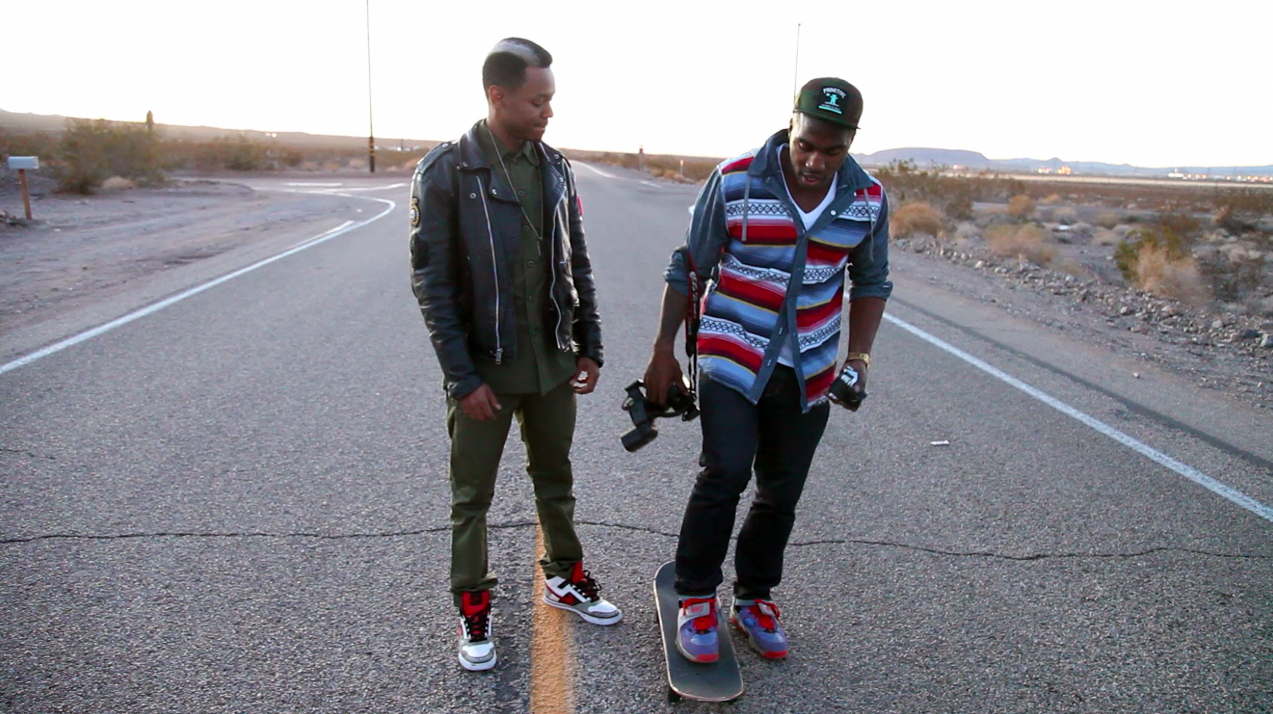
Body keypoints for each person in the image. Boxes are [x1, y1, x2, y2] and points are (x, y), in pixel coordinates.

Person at [643, 78, 892, 663]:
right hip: (733, 354)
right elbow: (689, 266)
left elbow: (871, 281)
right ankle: (696, 596)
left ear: (851, 142)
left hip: (809, 369)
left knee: (781, 492)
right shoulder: (735, 180)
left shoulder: (867, 199)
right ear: (791, 124)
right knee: (725, 472)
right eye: (807, 144)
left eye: (832, 150)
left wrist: (857, 359)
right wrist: (663, 351)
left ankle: (754, 598)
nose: (815, 161)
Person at [410, 37, 622, 672]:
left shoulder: (556, 168)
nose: (548, 112)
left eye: (551, 99)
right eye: (537, 100)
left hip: (552, 363)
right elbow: (432, 284)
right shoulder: (447, 171)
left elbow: (576, 262)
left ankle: (565, 575)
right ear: (497, 96)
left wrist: (589, 345)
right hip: (486, 372)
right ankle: (473, 606)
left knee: (557, 480)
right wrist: (462, 377)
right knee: (472, 496)